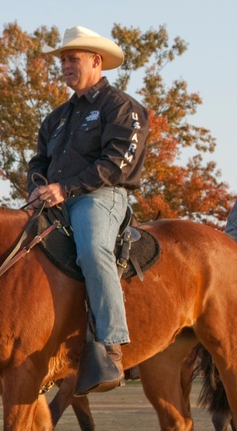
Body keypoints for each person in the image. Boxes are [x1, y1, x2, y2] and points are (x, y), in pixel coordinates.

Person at [27, 26, 150, 396]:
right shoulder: (56, 117)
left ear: (96, 62)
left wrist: (65, 188)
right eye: (62, 59)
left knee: (93, 249)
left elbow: (117, 163)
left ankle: (111, 346)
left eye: (72, 59)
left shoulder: (122, 108)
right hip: (54, 200)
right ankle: (3, 353)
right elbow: (39, 160)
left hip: (101, 196)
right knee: (11, 247)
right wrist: (36, 187)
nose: (64, 65)